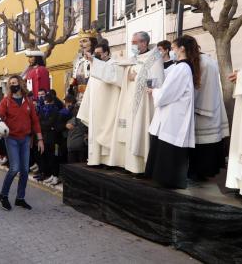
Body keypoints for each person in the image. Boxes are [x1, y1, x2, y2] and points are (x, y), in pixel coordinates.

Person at [145, 35, 199, 189]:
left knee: (169, 151)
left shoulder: (182, 68)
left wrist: (154, 91)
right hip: (172, 115)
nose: (172, 51)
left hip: (174, 117)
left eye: (174, 48)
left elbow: (165, 95)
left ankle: (168, 181)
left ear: (182, 48)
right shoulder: (180, 67)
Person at [107, 31, 164, 174]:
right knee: (129, 131)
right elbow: (125, 74)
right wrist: (128, 75)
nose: (132, 45)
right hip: (129, 102)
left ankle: (140, 167)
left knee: (140, 131)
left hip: (144, 104)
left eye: (134, 42)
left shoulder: (154, 58)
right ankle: (129, 165)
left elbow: (157, 81)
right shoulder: (133, 58)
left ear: (144, 43)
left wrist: (136, 76)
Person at [0, 75, 44, 211]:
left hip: (25, 139)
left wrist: (40, 139)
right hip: (11, 138)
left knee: (24, 170)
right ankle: (3, 195)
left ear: (20, 84)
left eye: (15, 82)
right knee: (14, 168)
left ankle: (20, 198)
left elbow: (35, 121)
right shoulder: (5, 102)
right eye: (11, 83)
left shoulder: (28, 101)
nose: (13, 85)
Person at [77, 42, 124, 166]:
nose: (96, 56)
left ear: (107, 53)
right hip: (96, 107)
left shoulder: (114, 65)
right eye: (95, 53)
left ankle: (109, 161)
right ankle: (96, 160)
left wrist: (93, 61)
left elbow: (111, 77)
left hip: (108, 108)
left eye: (99, 53)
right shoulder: (95, 66)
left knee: (108, 134)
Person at [189, 53, 229, 180]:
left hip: (202, 106)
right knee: (210, 143)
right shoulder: (209, 60)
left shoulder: (200, 62)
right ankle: (205, 172)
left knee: (201, 143)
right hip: (214, 104)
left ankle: (198, 172)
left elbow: (196, 85)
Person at [68, 29, 98, 105]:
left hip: (93, 96)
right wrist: (71, 88)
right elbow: (74, 80)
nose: (81, 45)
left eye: (84, 41)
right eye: (80, 42)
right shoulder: (78, 61)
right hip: (79, 97)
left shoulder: (98, 61)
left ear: (92, 43)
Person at [37, 93, 59, 184]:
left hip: (55, 139)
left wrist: (47, 125)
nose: (47, 104)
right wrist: (48, 126)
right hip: (45, 138)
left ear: (52, 101)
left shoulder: (55, 110)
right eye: (46, 102)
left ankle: (56, 176)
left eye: (48, 102)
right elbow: (40, 123)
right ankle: (52, 175)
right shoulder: (43, 110)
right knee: (48, 158)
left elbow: (51, 123)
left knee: (54, 157)